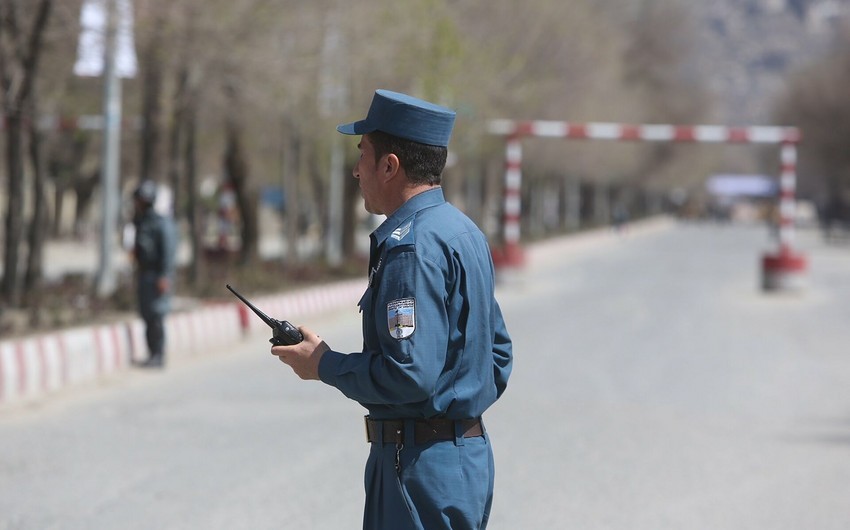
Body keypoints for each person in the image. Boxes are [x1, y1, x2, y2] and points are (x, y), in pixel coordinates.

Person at [271, 89, 513, 529]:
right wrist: (456, 413)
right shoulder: (464, 232)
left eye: (362, 154)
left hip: (417, 471)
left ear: (389, 165)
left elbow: (409, 375)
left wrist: (323, 364)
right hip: (462, 463)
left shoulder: (411, 248)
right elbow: (497, 356)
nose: (355, 169)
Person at [131, 180, 177, 368]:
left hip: (157, 276)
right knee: (147, 315)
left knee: (156, 315)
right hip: (145, 274)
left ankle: (158, 354)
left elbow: (168, 251)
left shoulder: (161, 223)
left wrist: (164, 276)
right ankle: (151, 352)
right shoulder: (141, 221)